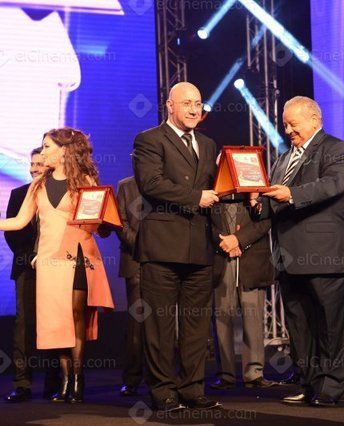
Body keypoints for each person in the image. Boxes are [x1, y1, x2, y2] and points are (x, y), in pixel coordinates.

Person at [0, 127, 115, 403]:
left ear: (64, 150)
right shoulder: (38, 185)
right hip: (49, 261)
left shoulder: (85, 180)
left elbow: (95, 225)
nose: (43, 151)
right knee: (56, 320)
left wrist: (105, 220)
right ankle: (64, 382)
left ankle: (77, 380)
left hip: (78, 257)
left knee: (76, 316)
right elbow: (20, 221)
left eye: (47, 147)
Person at [257, 96, 344, 407]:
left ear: (314, 119)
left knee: (332, 326)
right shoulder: (282, 159)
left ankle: (331, 385)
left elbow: (333, 184)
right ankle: (309, 381)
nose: (288, 130)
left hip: (328, 256)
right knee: (300, 327)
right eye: (285, 124)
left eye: (293, 123)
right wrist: (257, 202)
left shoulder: (337, 149)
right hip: (289, 258)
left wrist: (291, 193)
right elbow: (273, 201)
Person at [132, 82, 220, 412]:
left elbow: (216, 187)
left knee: (197, 325)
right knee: (160, 325)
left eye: (198, 103)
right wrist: (195, 197)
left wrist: (246, 192)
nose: (194, 109)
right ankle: (163, 391)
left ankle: (192, 388)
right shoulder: (149, 139)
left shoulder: (208, 144)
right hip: (162, 246)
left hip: (200, 245)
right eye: (187, 103)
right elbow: (151, 184)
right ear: (170, 106)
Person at [4, 147, 59, 402]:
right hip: (26, 268)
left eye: (40, 164)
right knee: (24, 326)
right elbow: (11, 232)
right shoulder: (19, 194)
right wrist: (32, 258)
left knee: (54, 325)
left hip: (56, 269)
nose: (34, 168)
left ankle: (53, 382)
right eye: (32, 164)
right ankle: (22, 383)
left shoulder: (60, 193)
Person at [209, 194, 277, 390]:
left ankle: (254, 373)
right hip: (220, 257)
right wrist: (224, 242)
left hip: (252, 257)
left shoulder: (258, 184)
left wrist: (238, 240)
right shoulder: (212, 182)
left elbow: (266, 220)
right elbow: (203, 221)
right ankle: (225, 374)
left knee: (253, 316)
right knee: (221, 317)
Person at [116, 175, 145, 396]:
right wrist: (144, 245)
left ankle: (163, 378)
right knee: (136, 324)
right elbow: (120, 223)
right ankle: (132, 378)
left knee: (164, 323)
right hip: (135, 260)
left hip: (164, 260)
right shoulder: (125, 186)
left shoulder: (169, 182)